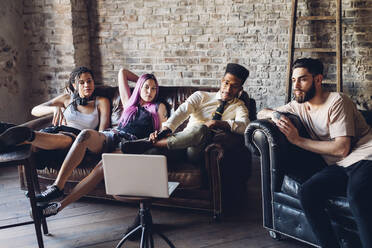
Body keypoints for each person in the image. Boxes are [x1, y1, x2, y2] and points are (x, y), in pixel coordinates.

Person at [257, 58, 372, 248]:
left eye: (302, 79)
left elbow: (341, 149)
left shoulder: (337, 100)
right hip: (340, 165)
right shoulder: (297, 105)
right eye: (294, 80)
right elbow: (262, 112)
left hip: (365, 156)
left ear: (318, 80)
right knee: (308, 191)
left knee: (357, 196)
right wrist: (274, 115)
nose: (296, 86)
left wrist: (298, 140)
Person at [34, 70, 168, 218]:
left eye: (154, 88)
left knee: (104, 165)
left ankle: (59, 206)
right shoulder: (129, 102)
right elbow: (122, 73)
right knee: (85, 134)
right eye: (146, 87)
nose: (150, 91)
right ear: (139, 87)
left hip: (129, 145)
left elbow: (165, 132)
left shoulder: (158, 107)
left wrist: (154, 137)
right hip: (111, 135)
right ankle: (57, 186)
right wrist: (143, 80)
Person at [121, 63, 251, 162]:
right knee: (152, 155)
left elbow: (245, 126)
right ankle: (154, 145)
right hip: (181, 143)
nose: (228, 89)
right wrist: (165, 131)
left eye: (234, 86)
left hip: (199, 150)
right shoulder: (201, 96)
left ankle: (152, 142)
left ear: (240, 89)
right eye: (226, 83)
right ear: (222, 81)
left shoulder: (239, 106)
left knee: (202, 128)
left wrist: (216, 123)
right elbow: (181, 112)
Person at [0, 66, 111, 153]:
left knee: (65, 139)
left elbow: (102, 133)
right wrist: (54, 109)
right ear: (74, 85)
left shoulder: (101, 101)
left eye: (89, 81)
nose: (86, 85)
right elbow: (35, 110)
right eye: (81, 83)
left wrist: (93, 145)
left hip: (76, 139)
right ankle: (15, 135)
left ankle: (27, 136)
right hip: (54, 132)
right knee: (36, 143)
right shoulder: (67, 98)